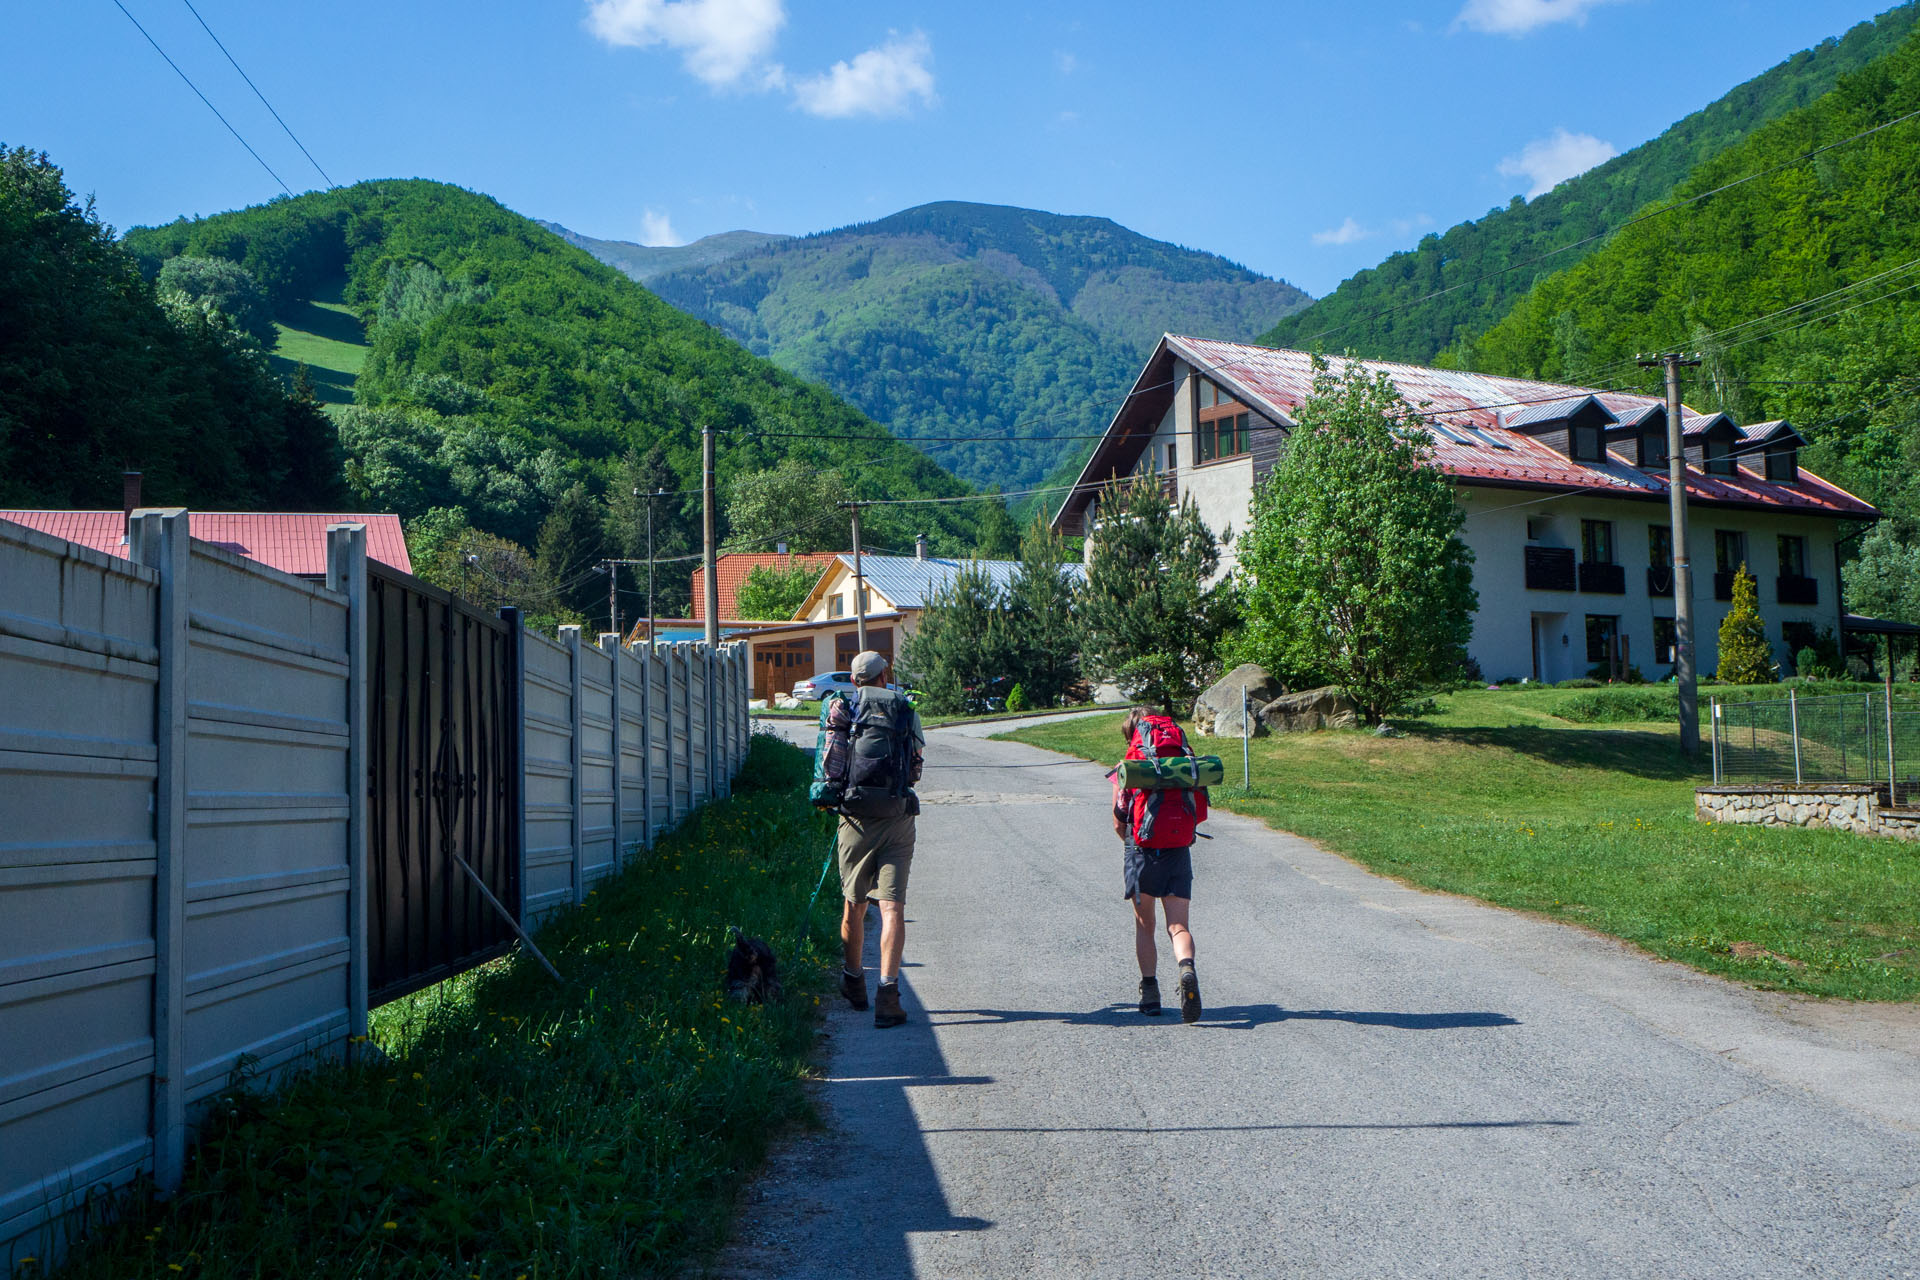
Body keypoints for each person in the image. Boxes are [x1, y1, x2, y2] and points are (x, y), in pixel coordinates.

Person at [831, 650, 925, 1028]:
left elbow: (832, 765)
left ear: (855, 680)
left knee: (854, 904)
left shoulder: (843, 710)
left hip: (854, 820)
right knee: (892, 907)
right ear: (885, 675)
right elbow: (915, 769)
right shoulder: (905, 709)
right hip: (897, 818)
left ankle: (855, 983)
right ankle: (888, 995)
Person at [1113, 707, 1202, 1022]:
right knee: (1178, 926)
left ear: (1133, 733)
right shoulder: (1182, 757)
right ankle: (1186, 968)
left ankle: (1150, 993)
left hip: (1142, 851)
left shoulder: (1127, 767)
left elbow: (1119, 821)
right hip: (1178, 848)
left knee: (1145, 925)